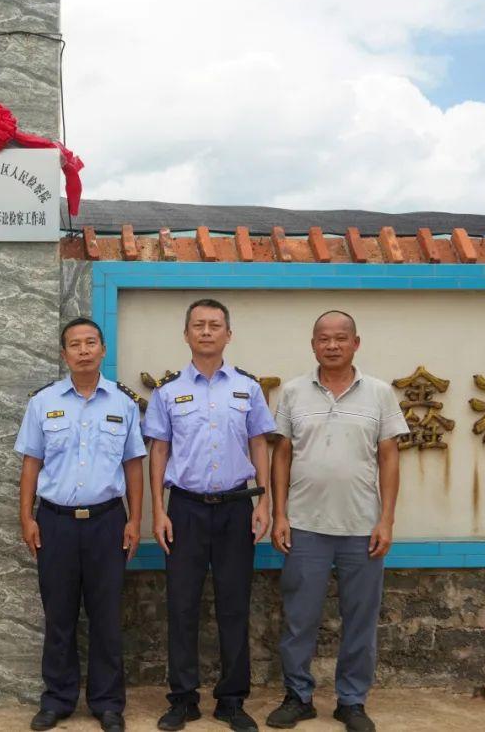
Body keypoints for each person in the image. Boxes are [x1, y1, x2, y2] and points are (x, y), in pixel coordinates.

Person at [265, 311, 405, 732]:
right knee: (298, 618)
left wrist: (387, 520)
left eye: (341, 338)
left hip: (362, 528)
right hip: (305, 525)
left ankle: (352, 701)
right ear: (313, 344)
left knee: (360, 618)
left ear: (356, 343)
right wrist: (280, 514)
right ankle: (298, 696)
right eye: (323, 338)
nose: (332, 345)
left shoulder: (379, 394)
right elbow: (282, 455)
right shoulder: (292, 392)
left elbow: (389, 457)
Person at [144, 299, 274, 732]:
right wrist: (159, 510)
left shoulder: (248, 389)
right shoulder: (167, 391)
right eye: (197, 325)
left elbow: (260, 444)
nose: (206, 332)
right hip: (184, 509)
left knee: (234, 604)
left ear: (228, 334)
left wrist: (265, 501)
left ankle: (232, 700)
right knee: (181, 606)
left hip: (237, 506)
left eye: (214, 325)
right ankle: (182, 699)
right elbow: (158, 451)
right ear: (186, 334)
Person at [15, 317, 146, 732]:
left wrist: (135, 520)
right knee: (59, 615)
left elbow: (133, 466)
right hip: (55, 523)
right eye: (75, 344)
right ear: (64, 353)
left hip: (108, 522)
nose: (84, 350)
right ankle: (57, 699)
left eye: (91, 342)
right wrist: (26, 516)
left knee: (106, 616)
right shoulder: (43, 402)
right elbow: (31, 463)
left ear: (103, 350)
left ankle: (108, 704)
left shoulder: (122, 404)